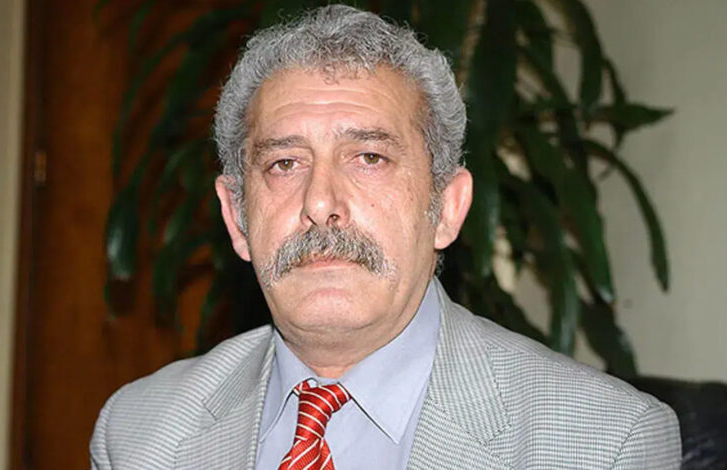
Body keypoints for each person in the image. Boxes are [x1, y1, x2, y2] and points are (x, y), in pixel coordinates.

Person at [89, 5, 681, 469]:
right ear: (238, 218)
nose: (320, 203)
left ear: (447, 208)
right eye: (285, 164)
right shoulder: (139, 435)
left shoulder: (604, 444)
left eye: (369, 157)